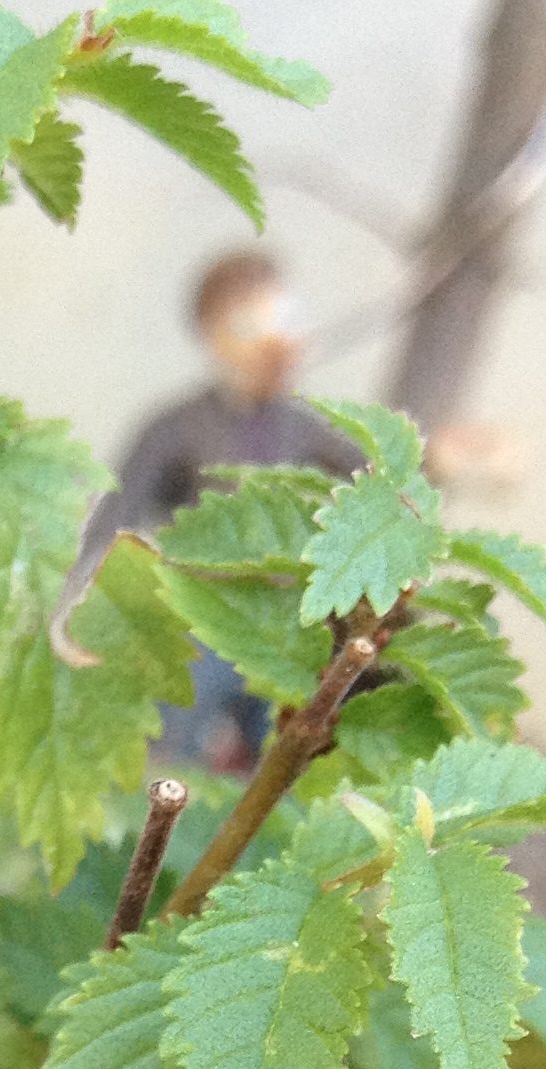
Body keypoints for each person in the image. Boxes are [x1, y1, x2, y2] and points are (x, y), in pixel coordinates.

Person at [79, 249, 361, 767]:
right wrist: (85, 606)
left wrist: (437, 461)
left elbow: (368, 472)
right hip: (202, 621)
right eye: (250, 325)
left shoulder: (303, 426)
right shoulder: (177, 425)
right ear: (213, 335)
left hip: (284, 625)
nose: (274, 340)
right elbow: (115, 515)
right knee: (172, 747)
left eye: (285, 319)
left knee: (280, 754)